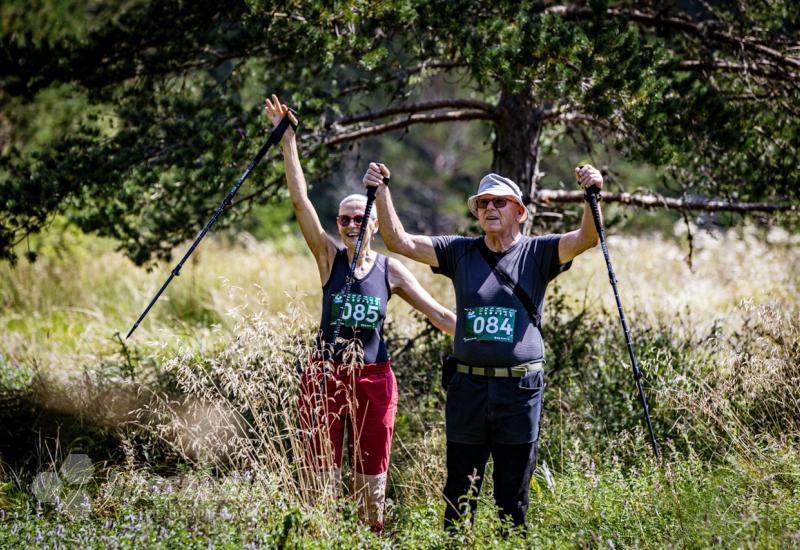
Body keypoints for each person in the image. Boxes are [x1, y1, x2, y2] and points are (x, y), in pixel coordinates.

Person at [363, 162, 603, 529]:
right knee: (459, 493)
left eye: (499, 202)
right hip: (468, 389)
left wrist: (592, 195)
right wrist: (381, 191)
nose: (490, 208)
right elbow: (400, 242)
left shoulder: (539, 253)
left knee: (512, 495)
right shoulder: (460, 251)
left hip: (519, 391)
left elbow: (587, 238)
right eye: (483, 203)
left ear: (520, 212)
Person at [264, 95, 456, 532]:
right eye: (344, 219)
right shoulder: (328, 258)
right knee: (318, 473)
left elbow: (441, 315)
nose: (351, 225)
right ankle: (317, 535)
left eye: (359, 219)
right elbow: (300, 203)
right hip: (325, 374)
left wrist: (493, 342)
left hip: (374, 378)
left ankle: (369, 536)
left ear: (373, 224)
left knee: (372, 475)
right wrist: (287, 142)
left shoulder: (391, 270)